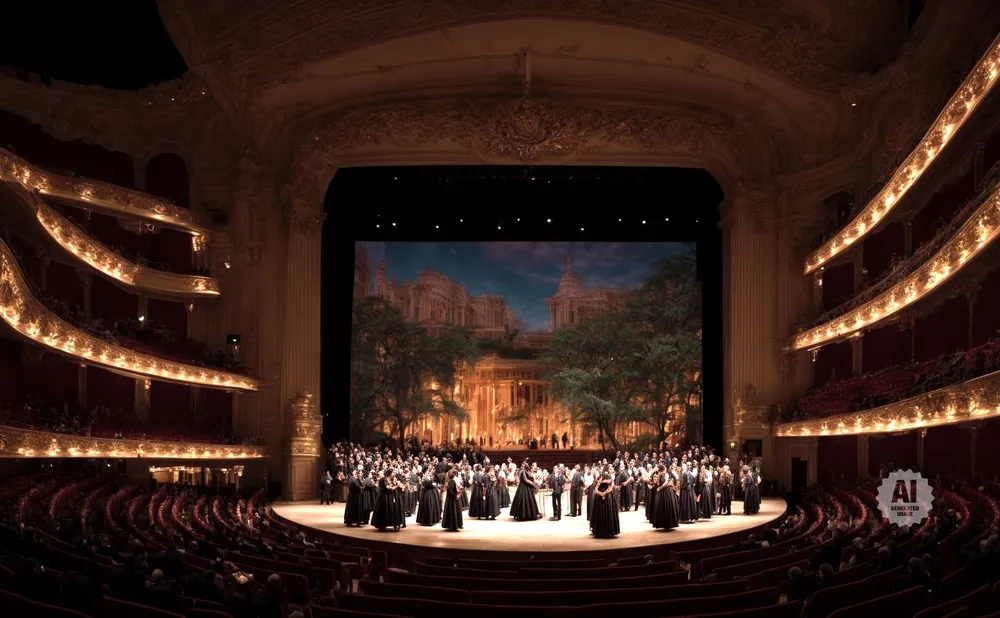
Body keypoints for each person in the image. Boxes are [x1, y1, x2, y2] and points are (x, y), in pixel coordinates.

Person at [590, 471, 620, 538]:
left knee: (603, 513)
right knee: (605, 513)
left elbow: (610, 488)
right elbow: (596, 489)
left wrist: (603, 493)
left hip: (605, 497)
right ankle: (606, 531)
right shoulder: (604, 480)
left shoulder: (606, 480)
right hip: (604, 497)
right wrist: (602, 493)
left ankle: (602, 531)